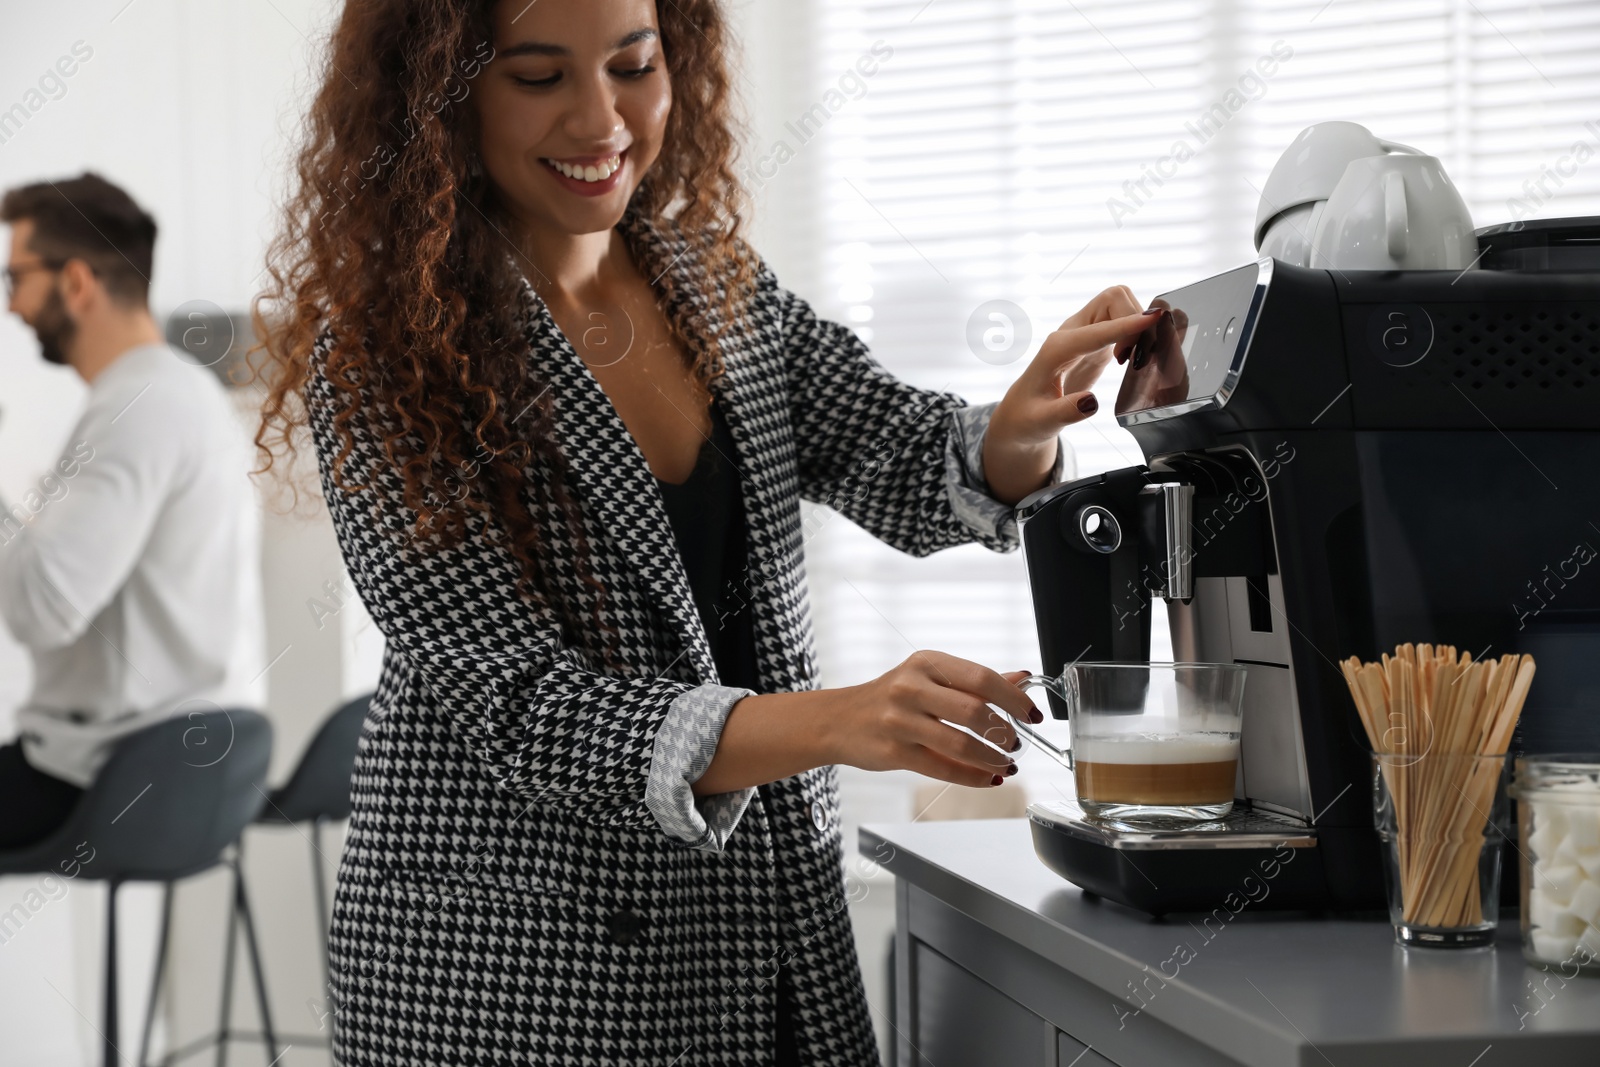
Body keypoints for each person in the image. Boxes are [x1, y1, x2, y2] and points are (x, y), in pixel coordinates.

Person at [253, 1, 1157, 1063]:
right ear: (441, 97)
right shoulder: (386, 356)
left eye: (633, 65)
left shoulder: (713, 282)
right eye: (538, 78)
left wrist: (1019, 428)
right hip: (519, 977)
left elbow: (900, 451)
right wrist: (838, 720)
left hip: (763, 938)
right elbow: (523, 708)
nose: (602, 119)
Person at [0, 173, 263, 849]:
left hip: (112, 772)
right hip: (196, 767)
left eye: (16, 278)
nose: (12, 305)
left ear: (77, 282)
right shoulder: (185, 393)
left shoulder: (134, 407)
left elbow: (41, 607)